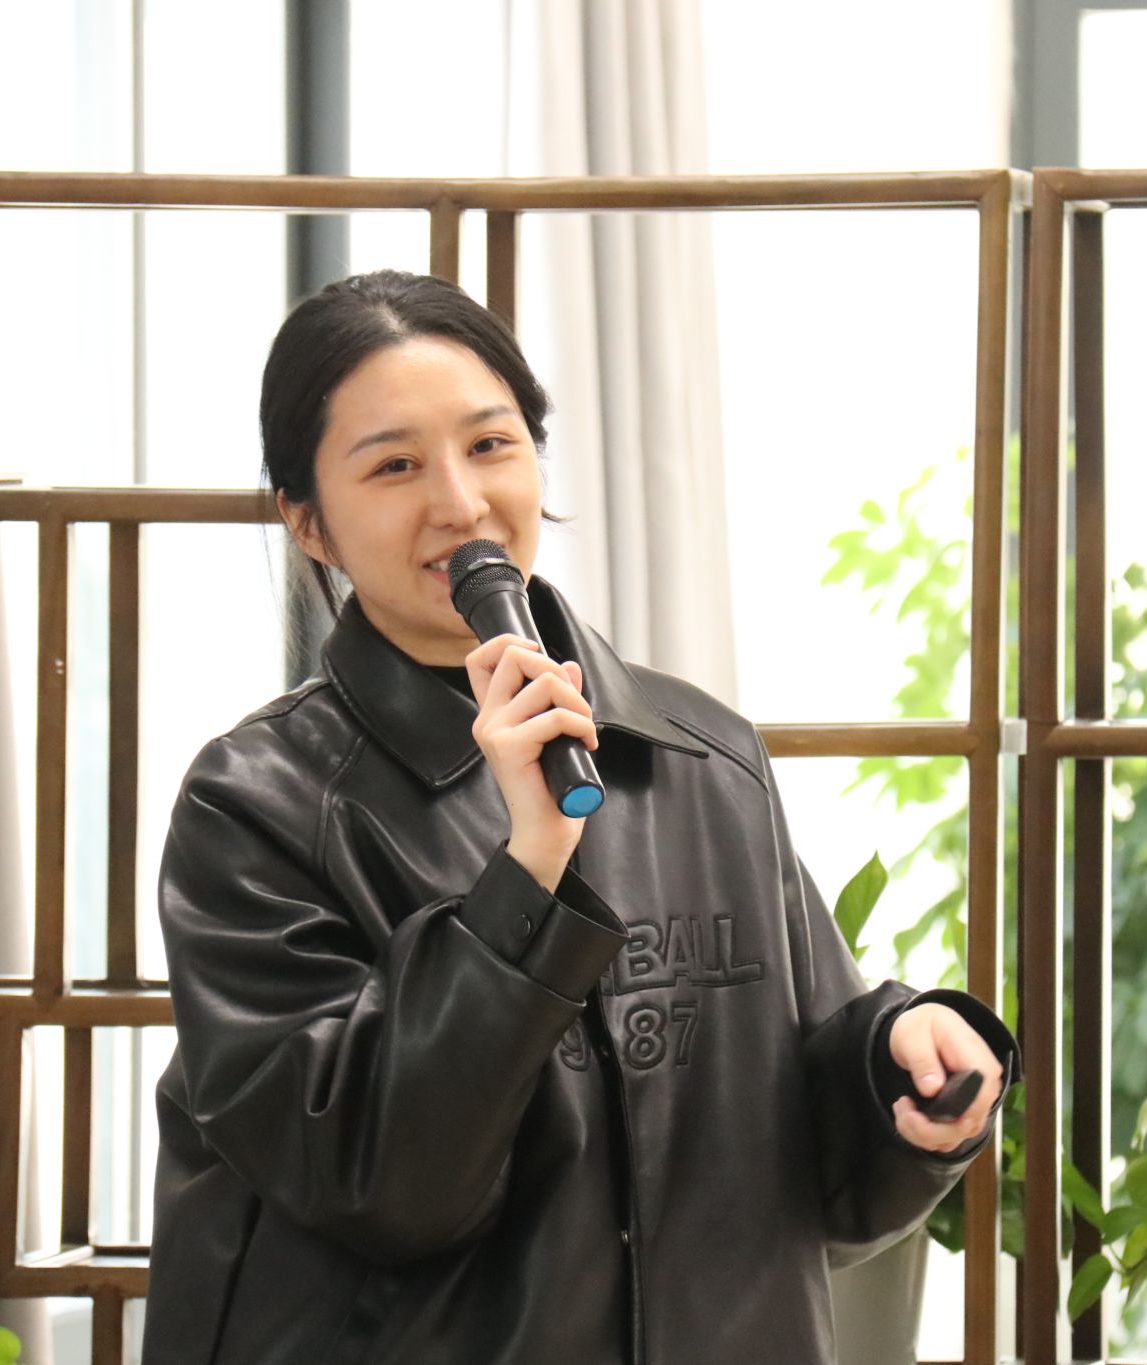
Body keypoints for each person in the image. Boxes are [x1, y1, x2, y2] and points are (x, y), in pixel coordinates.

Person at [141, 270, 1017, 1365]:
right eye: (395, 465)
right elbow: (377, 1183)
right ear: (307, 521)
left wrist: (900, 1072)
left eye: (491, 445)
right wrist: (529, 866)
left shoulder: (705, 758)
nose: (460, 502)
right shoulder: (254, 807)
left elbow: (813, 1174)